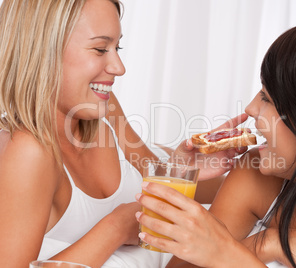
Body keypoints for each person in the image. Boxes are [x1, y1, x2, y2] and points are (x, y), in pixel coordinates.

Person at [0, 0, 247, 267]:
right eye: (99, 49)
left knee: (252, 179)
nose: (119, 67)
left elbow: (156, 190)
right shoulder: (28, 153)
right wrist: (116, 227)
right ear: (41, 50)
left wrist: (179, 169)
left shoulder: (103, 107)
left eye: (117, 47)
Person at [136, 22, 296, 268]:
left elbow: (219, 253)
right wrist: (268, 242)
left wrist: (234, 252)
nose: (251, 108)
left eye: (267, 98)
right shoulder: (255, 174)